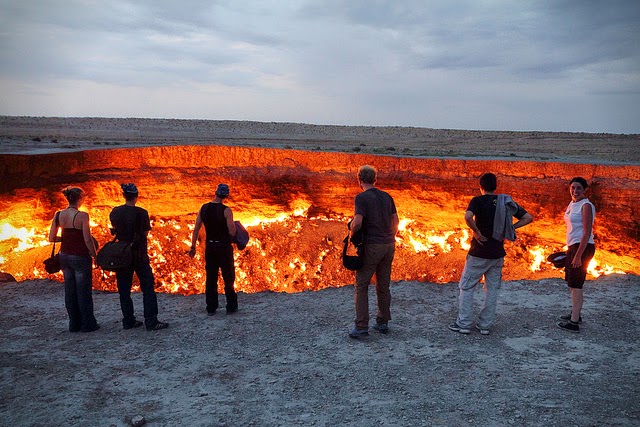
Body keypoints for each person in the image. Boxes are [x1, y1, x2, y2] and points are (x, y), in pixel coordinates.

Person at [449, 172, 533, 335]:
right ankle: (485, 325)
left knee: (466, 287)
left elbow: (467, 217)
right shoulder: (504, 201)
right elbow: (528, 218)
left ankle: (464, 323)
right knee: (492, 290)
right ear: (495, 187)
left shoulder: (477, 201)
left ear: (481, 187)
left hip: (479, 253)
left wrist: (477, 231)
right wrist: (510, 228)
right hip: (497, 254)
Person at [348, 165, 399, 338]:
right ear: (375, 180)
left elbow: (358, 222)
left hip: (372, 246)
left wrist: (351, 234)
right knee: (383, 285)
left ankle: (361, 326)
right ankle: (382, 322)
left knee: (361, 285)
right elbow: (396, 221)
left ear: (359, 180)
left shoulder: (361, 198)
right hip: (389, 245)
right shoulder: (387, 197)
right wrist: (390, 236)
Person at [109, 183, 168, 331]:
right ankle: (151, 321)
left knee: (124, 290)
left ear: (124, 196)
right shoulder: (142, 213)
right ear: (136, 196)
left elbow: (115, 230)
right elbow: (145, 233)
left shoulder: (115, 212)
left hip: (122, 255)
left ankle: (128, 321)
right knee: (147, 288)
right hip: (139, 255)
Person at [48, 187, 100, 332]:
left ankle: (74, 324)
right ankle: (88, 324)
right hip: (80, 256)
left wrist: (65, 238)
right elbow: (87, 239)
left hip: (64, 256)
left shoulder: (58, 215)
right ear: (80, 199)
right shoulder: (82, 216)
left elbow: (51, 238)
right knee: (83, 291)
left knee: (70, 290)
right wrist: (95, 255)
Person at [188, 183, 238, 315]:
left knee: (211, 278)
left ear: (215, 193)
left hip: (210, 247)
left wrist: (193, 246)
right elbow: (232, 232)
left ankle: (211, 307)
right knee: (228, 277)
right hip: (223, 247)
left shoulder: (204, 208)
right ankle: (231, 307)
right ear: (226, 196)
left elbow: (196, 229)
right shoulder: (226, 211)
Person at [557, 177, 596, 333]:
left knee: (577, 284)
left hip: (583, 248)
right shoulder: (572, 204)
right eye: (573, 187)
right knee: (572, 283)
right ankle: (575, 313)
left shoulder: (586, 206)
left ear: (584, 190)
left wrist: (578, 255)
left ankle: (574, 323)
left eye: (578, 188)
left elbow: (586, 233)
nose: (575, 191)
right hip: (573, 246)